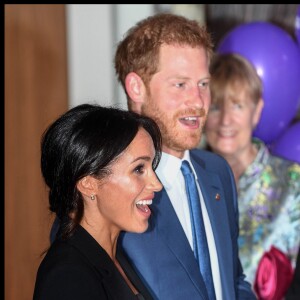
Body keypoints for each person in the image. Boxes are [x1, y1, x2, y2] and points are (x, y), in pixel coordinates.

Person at [114, 13, 255, 299]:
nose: (198, 101)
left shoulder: (217, 171)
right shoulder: (106, 185)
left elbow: (233, 279)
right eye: (180, 85)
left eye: (203, 84)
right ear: (136, 87)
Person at [33, 103, 163, 300]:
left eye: (151, 167)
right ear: (88, 184)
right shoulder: (68, 277)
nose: (156, 184)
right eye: (138, 169)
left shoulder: (113, 256)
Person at [204, 53, 300, 291]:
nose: (225, 120)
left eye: (237, 106)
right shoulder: (188, 180)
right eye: (215, 107)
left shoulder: (293, 183)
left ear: (257, 111)